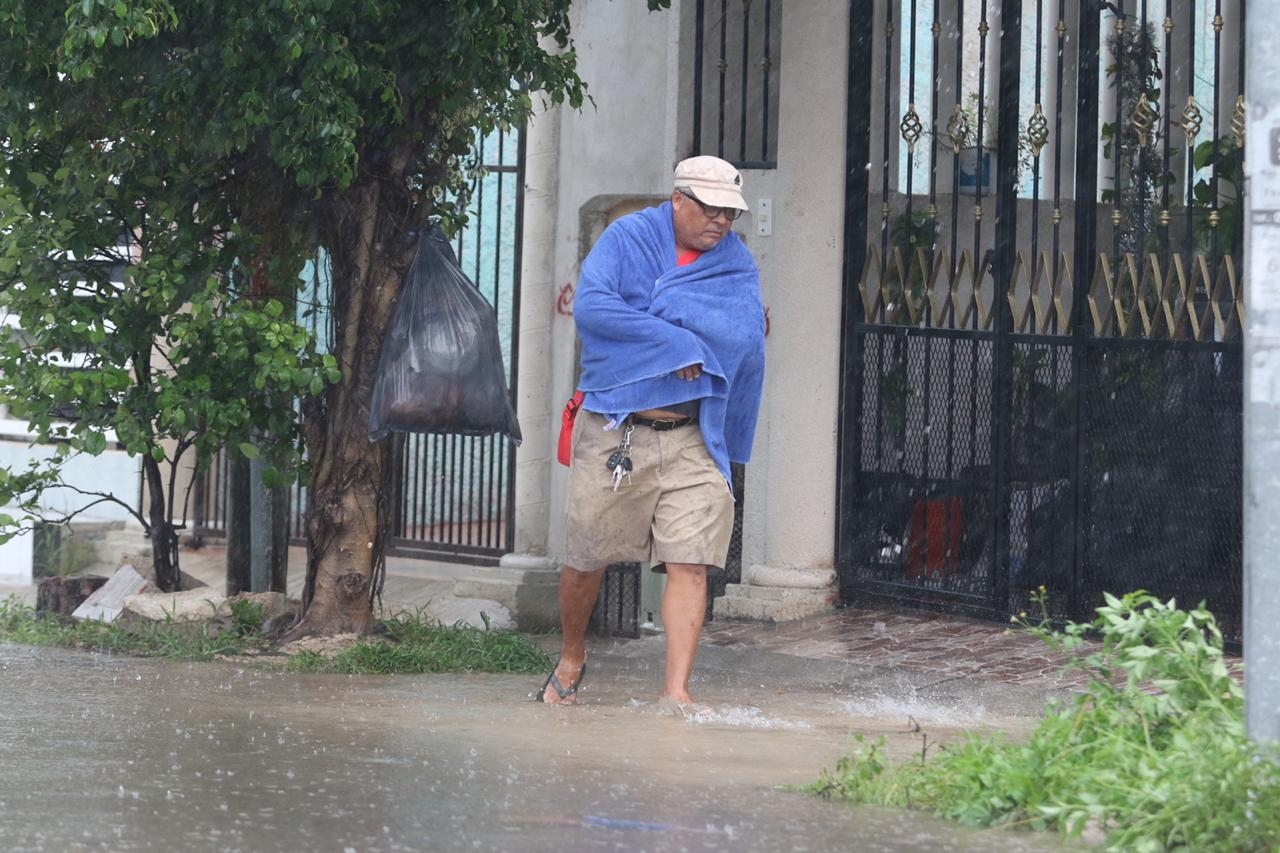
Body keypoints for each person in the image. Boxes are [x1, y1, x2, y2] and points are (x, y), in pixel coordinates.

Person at [537, 155, 766, 707]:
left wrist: (693, 342)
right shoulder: (627, 239)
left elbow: (742, 336)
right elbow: (595, 309)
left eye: (729, 214)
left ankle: (676, 691)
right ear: (679, 199)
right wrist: (676, 341)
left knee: (691, 560)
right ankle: (572, 655)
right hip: (619, 428)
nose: (720, 223)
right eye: (710, 209)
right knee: (586, 558)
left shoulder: (735, 262)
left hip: (694, 432)